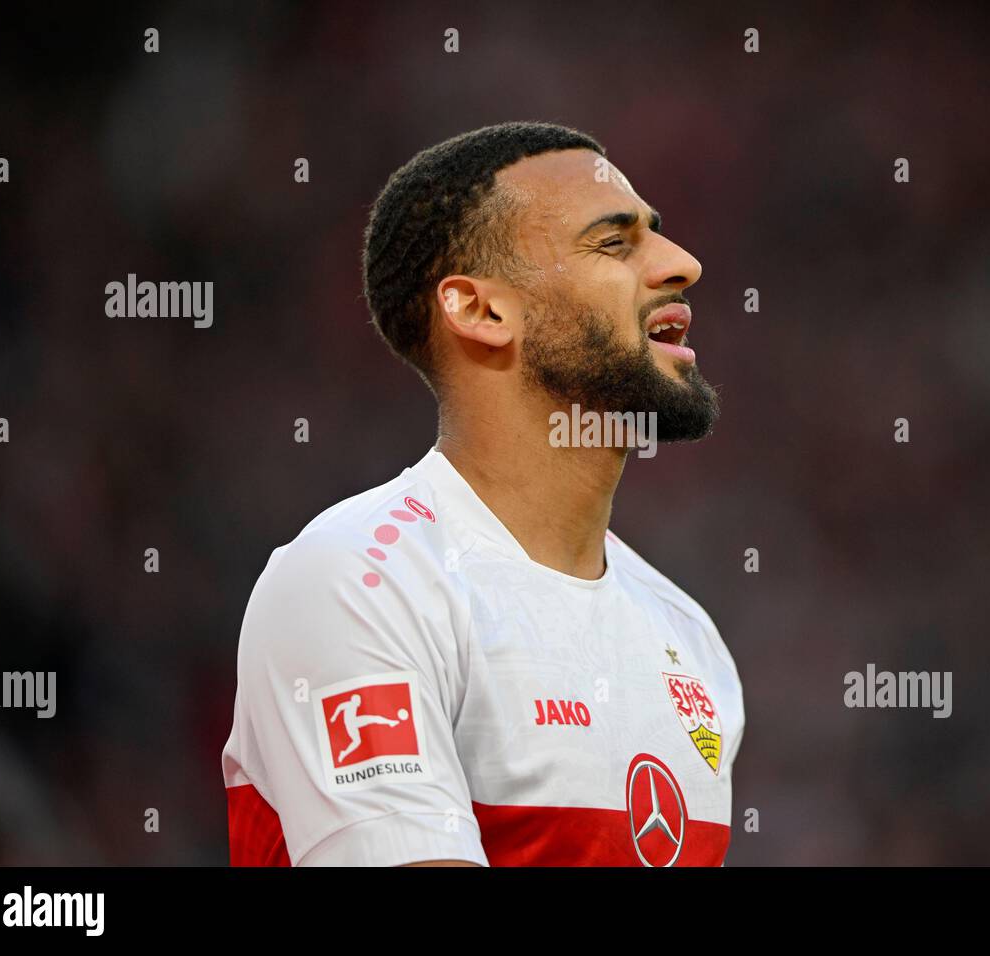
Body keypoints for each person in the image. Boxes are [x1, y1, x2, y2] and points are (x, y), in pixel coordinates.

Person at [222, 121, 744, 866]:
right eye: (614, 241)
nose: (682, 263)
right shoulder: (359, 584)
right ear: (483, 311)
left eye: (656, 234)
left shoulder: (689, 640)